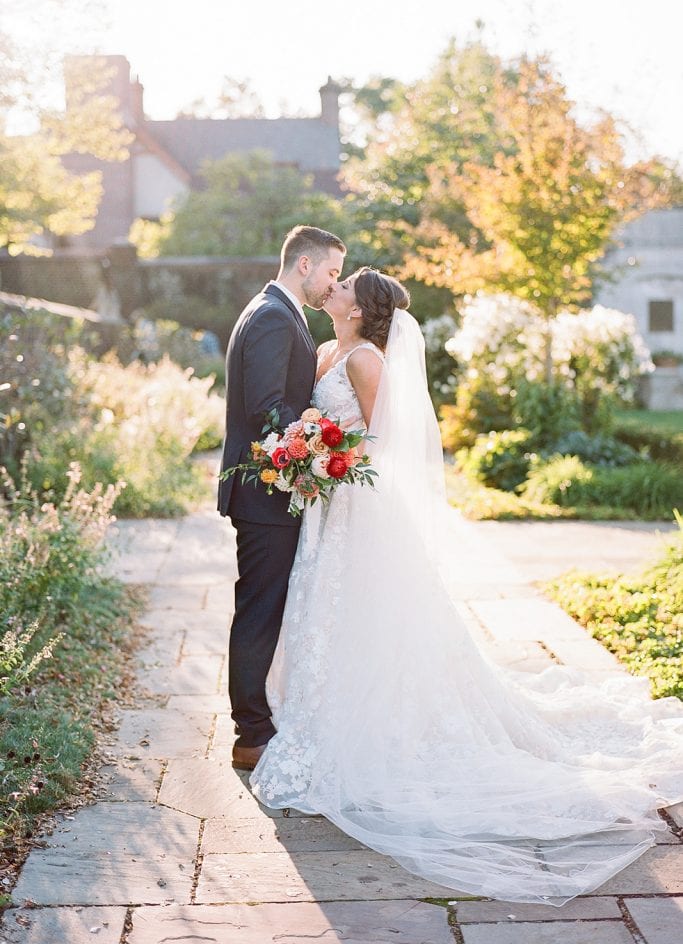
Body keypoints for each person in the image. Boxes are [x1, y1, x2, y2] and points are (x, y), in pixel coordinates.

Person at [249, 267, 683, 906]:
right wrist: (308, 452)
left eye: (343, 288)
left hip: (357, 505)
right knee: (322, 607)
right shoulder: (322, 351)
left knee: (365, 612)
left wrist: (329, 456)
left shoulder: (367, 359)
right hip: (324, 507)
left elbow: (381, 439)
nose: (332, 290)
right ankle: (314, 709)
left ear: (361, 310)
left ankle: (373, 725)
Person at [217, 225, 346, 772]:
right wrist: (319, 447)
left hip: (271, 493)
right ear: (304, 266)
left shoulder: (275, 310)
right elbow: (268, 410)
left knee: (264, 608)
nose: (333, 285)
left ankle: (258, 721)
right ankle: (251, 734)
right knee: (258, 612)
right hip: (264, 495)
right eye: (333, 273)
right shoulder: (272, 316)